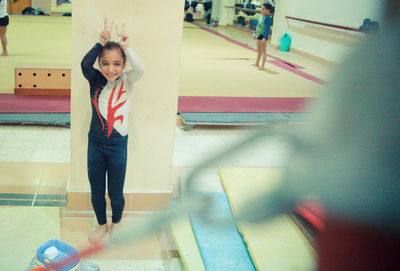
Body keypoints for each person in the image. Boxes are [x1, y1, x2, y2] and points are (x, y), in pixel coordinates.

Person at [80, 19, 145, 244]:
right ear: (100, 63)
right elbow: (84, 65)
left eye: (117, 64)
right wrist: (100, 43)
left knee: (116, 192)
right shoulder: (95, 78)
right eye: (105, 63)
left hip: (118, 145)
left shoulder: (128, 80)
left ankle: (116, 222)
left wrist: (126, 47)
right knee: (97, 191)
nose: (111, 69)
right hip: (96, 144)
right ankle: (101, 224)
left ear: (124, 64)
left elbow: (142, 68)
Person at [252, 2, 272, 70]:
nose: (261, 10)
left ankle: (263, 65)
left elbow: (267, 29)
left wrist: (265, 38)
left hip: (263, 36)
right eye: (261, 9)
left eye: (263, 9)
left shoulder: (268, 18)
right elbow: (258, 25)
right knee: (258, 50)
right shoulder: (261, 16)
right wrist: (255, 33)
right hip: (258, 34)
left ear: (268, 10)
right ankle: (257, 63)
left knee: (263, 51)